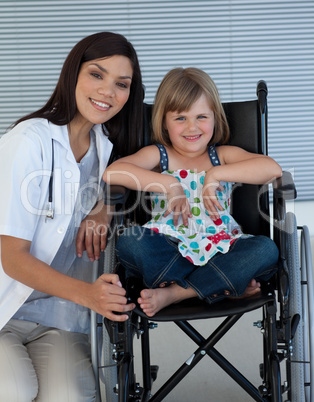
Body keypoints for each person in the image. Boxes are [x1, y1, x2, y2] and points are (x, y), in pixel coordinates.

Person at [0, 31, 143, 401]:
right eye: (97, 74)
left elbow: (153, 162)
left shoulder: (109, 151)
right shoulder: (29, 141)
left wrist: (106, 205)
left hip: (57, 319)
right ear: (73, 74)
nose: (108, 92)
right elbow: (12, 258)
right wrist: (90, 296)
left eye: (121, 84)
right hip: (4, 310)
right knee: (17, 389)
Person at [103, 67, 282, 318]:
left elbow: (271, 168)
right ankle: (221, 286)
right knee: (130, 241)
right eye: (180, 118)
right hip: (171, 250)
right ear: (164, 122)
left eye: (201, 117)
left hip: (221, 249)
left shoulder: (221, 156)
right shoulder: (159, 155)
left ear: (215, 117)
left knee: (265, 249)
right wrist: (169, 185)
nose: (191, 127)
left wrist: (216, 175)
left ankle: (177, 292)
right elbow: (112, 173)